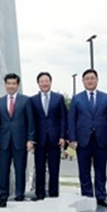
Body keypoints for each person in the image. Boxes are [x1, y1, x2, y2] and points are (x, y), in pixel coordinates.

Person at [68, 69, 107, 208]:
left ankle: (101, 196)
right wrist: (72, 139)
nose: (90, 81)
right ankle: (87, 196)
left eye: (92, 78)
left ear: (97, 80)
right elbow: (72, 120)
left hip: (101, 139)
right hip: (82, 140)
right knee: (84, 170)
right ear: (83, 81)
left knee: (101, 170)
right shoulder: (77, 99)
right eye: (87, 79)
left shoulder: (106, 98)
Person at [0, 73, 35, 206]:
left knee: (20, 170)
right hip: (4, 142)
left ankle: (19, 195)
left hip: (20, 141)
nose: (11, 86)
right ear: (5, 85)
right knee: (3, 170)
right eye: (8, 83)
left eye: (13, 83)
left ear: (17, 85)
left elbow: (31, 122)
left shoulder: (26, 100)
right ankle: (3, 196)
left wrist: (30, 140)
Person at [30, 72, 67, 200]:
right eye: (42, 81)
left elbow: (63, 119)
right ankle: (39, 193)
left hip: (55, 138)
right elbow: (31, 121)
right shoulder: (32, 100)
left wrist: (63, 136)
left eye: (47, 81)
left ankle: (53, 193)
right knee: (39, 167)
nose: (44, 83)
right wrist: (31, 138)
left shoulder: (59, 98)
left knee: (54, 168)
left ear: (50, 82)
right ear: (38, 83)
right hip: (39, 139)